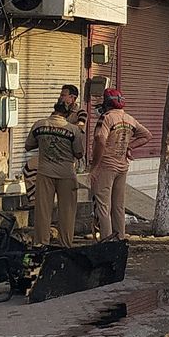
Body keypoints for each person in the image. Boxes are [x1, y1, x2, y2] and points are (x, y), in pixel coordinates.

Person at [91, 88, 153, 241]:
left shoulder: (106, 118)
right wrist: (129, 147)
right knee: (118, 206)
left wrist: (94, 166)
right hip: (122, 166)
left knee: (103, 206)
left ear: (106, 103)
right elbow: (147, 135)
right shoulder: (129, 119)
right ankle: (120, 238)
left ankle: (105, 241)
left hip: (106, 165)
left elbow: (100, 139)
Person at [26, 102, 85, 247]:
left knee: (43, 210)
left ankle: (41, 243)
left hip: (45, 172)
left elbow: (28, 146)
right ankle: (65, 244)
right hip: (66, 174)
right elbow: (79, 153)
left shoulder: (39, 125)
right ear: (67, 114)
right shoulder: (73, 130)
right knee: (67, 211)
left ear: (54, 110)